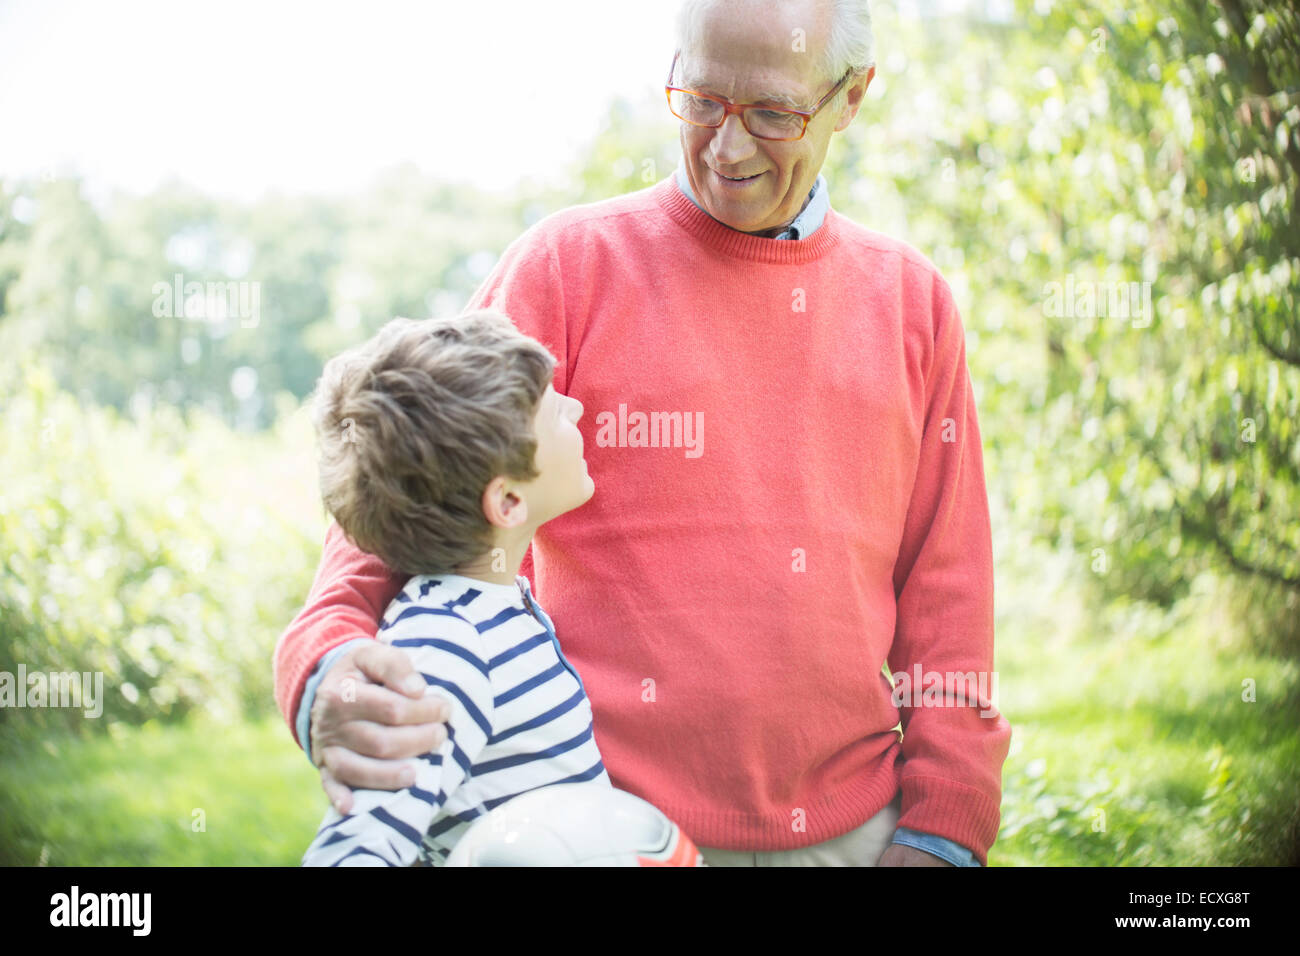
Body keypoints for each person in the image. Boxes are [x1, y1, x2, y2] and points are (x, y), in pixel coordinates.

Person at [274, 0, 1012, 867]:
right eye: (700, 100)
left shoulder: (911, 302)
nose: (726, 148)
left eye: (772, 113)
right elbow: (407, 482)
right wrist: (325, 664)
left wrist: (944, 824)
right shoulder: (566, 266)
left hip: (852, 831)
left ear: (849, 97)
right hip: (594, 830)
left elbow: (948, 590)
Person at [299, 312, 609, 865]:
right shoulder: (447, 646)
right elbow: (353, 849)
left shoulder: (497, 608)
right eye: (553, 410)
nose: (576, 408)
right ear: (507, 501)